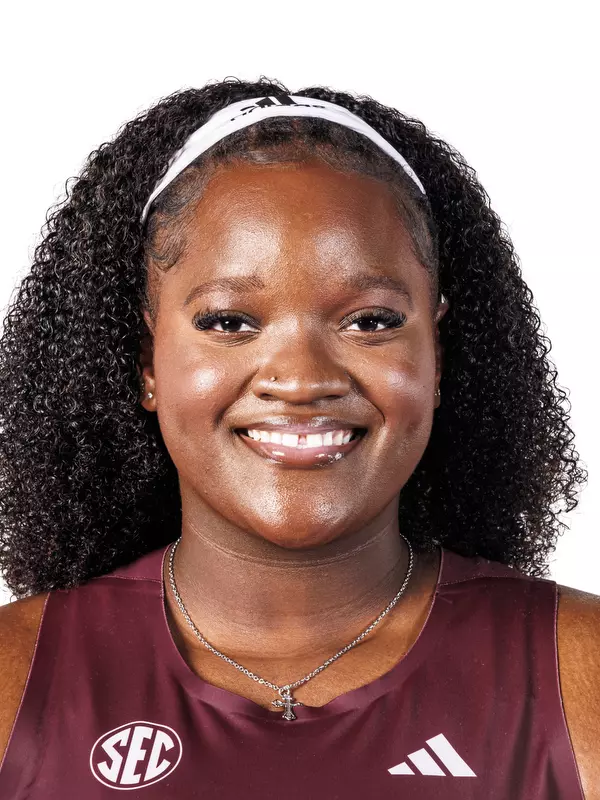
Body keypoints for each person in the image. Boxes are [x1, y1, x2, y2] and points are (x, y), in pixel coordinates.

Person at [0, 76, 597, 799]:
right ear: (145, 363)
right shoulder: (15, 677)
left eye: (371, 321)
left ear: (438, 358)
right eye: (229, 322)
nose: (302, 378)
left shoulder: (578, 672)